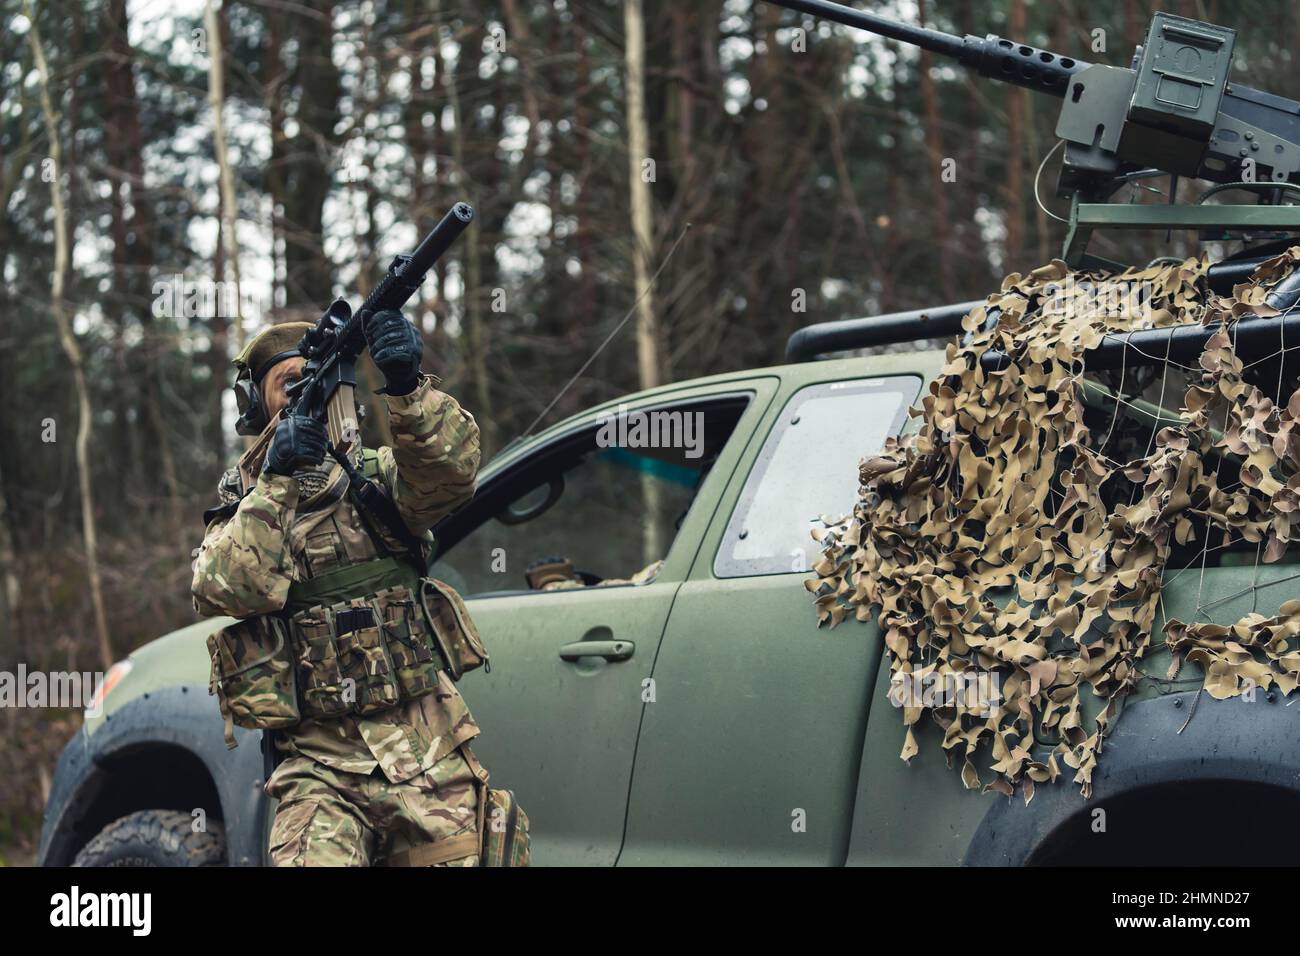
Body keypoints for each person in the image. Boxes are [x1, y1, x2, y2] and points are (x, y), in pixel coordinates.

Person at [192, 309, 489, 866]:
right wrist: (276, 480)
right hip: (317, 768)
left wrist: (406, 386)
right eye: (288, 384)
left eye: (317, 378)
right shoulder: (244, 507)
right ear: (256, 405)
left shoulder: (377, 480)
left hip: (428, 753)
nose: (306, 392)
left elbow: (452, 477)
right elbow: (224, 588)